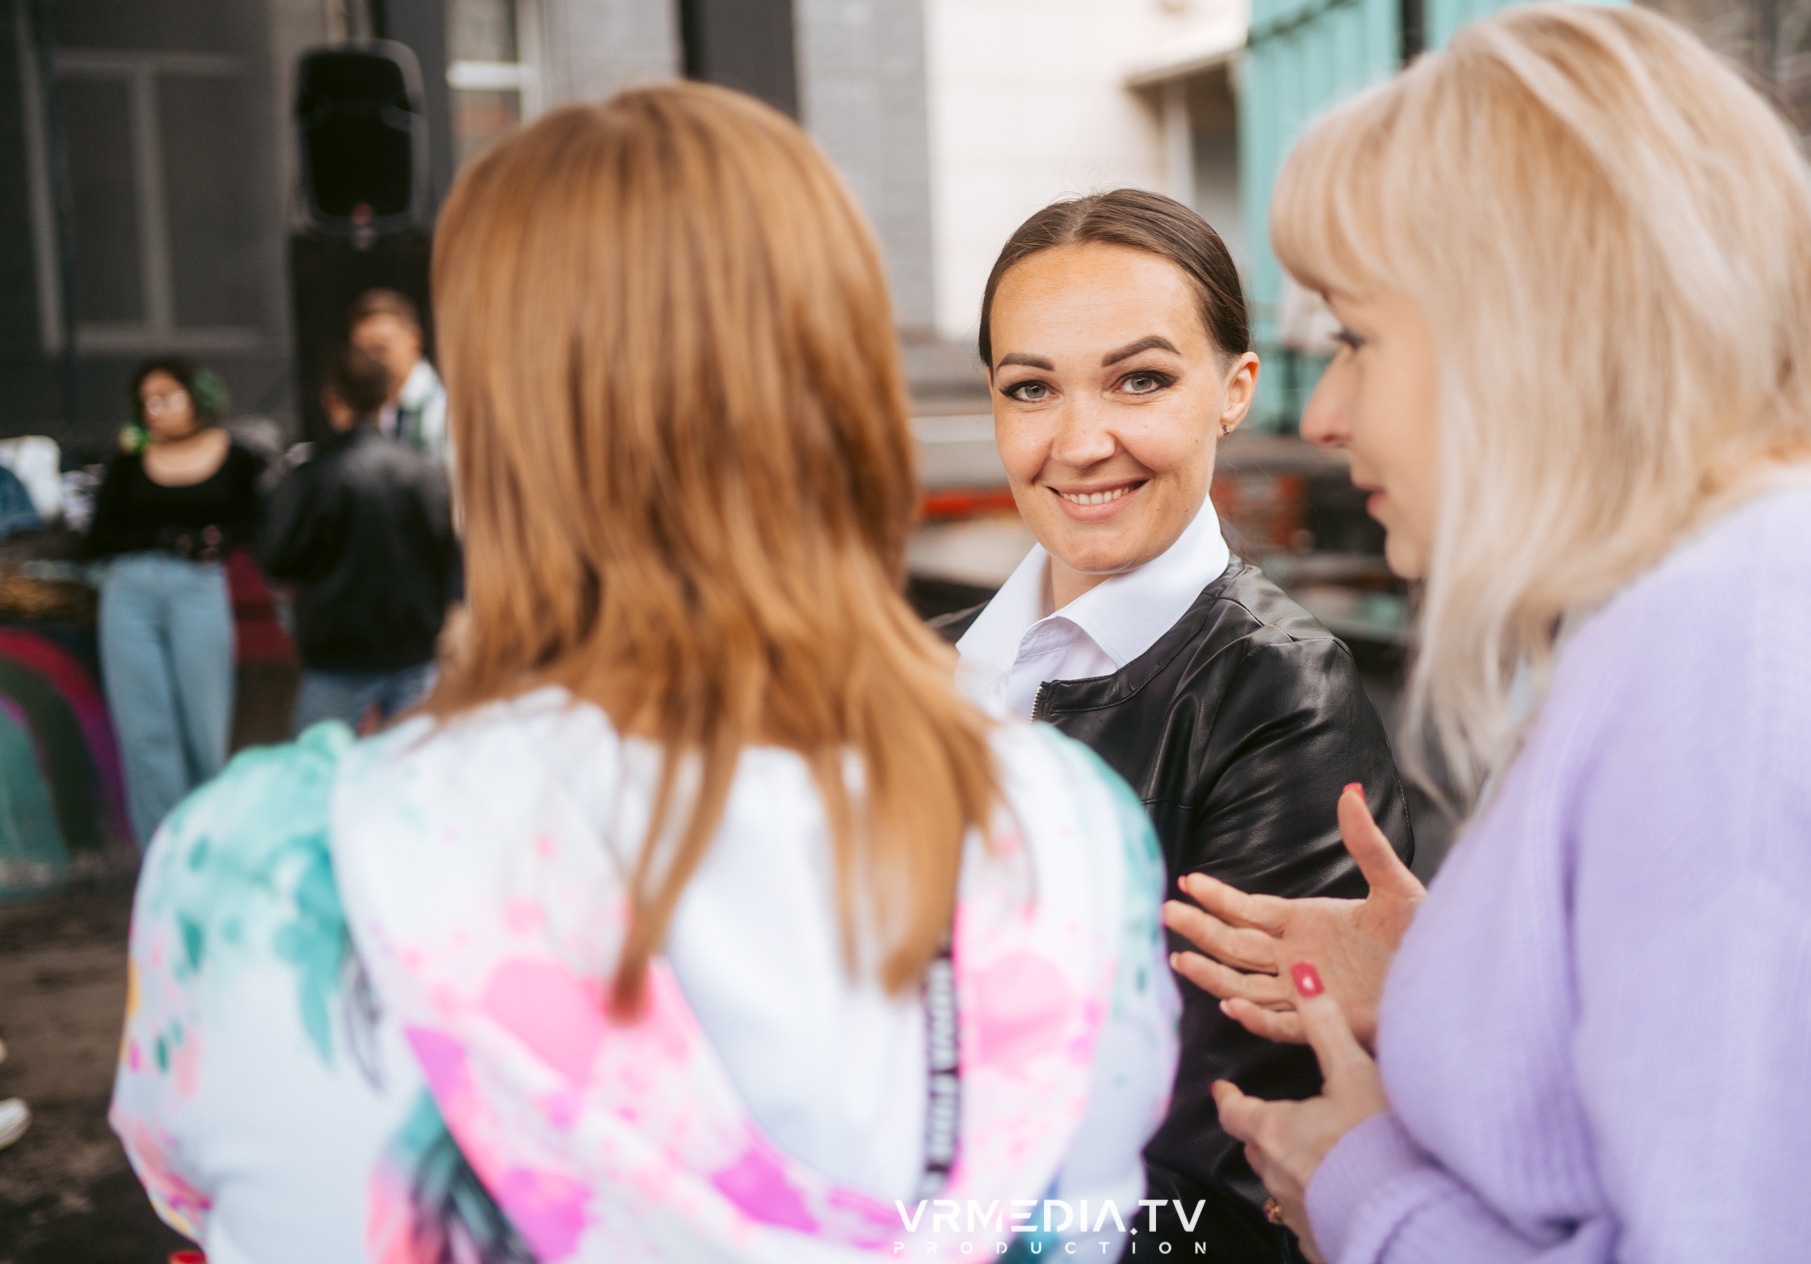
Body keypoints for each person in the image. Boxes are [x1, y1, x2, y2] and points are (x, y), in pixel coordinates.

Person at [111, 82, 1179, 1263]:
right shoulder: (1072, 834)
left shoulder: (262, 873)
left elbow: (202, 1194)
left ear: (497, 431)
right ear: (851, 401)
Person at [1165, 1, 1811, 1262]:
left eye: (1357, 336)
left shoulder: (1745, 668)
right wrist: (1471, 979)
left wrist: (1367, 1189)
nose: (1323, 412)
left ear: (1528, 336)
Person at [931, 187, 1411, 1258]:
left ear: (1235, 390)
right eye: (1031, 388)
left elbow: (1220, 1171)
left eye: (1139, 379)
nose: (1080, 440)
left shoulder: (1278, 695)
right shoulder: (919, 665)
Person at [85, 358, 263, 847]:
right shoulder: (126, 464)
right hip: (130, 593)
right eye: (147, 401)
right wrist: (170, 537)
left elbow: (255, 525)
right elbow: (97, 539)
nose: (155, 409)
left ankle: (211, 847)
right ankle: (163, 855)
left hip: (199, 591)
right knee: (146, 732)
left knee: (206, 729)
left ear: (197, 397)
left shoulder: (239, 457)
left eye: (166, 396)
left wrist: (214, 542)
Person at [259, 345, 456, 733]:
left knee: (321, 771)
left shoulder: (315, 477)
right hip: (413, 647)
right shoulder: (425, 473)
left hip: (338, 653)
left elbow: (278, 556)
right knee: (410, 769)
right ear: (388, 396)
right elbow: (448, 555)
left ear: (330, 398)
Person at [347, 287, 449, 467]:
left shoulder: (444, 413)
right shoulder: (363, 409)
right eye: (362, 352)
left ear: (415, 340)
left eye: (380, 348)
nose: (371, 361)